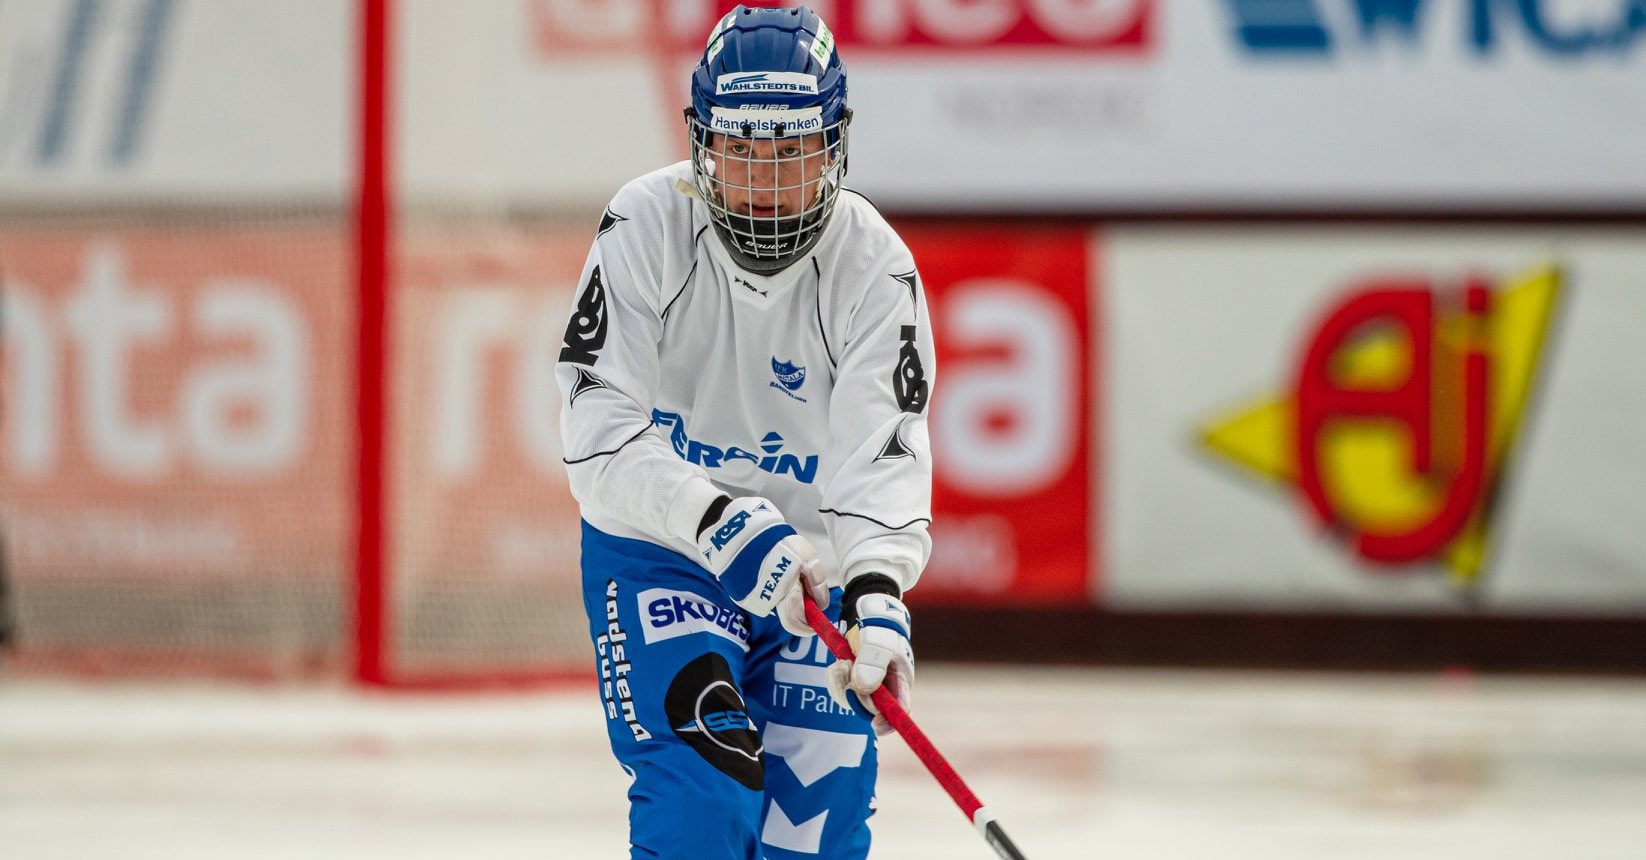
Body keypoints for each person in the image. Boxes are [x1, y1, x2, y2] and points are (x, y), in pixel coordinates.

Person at [556, 6, 933, 858]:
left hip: (811, 572)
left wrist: (877, 598)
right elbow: (597, 432)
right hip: (662, 550)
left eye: (792, 150)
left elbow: (885, 453)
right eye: (743, 148)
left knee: (816, 829)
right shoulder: (644, 225)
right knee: (704, 799)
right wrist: (716, 521)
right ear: (701, 143)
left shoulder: (875, 266)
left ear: (834, 145)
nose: (765, 181)